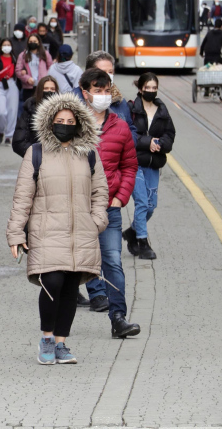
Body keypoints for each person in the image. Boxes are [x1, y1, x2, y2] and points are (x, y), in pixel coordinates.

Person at [7, 92, 109, 365]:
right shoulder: (36, 153)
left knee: (70, 287)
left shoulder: (89, 154)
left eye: (70, 120)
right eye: (59, 120)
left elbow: (100, 192)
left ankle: (62, 343)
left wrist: (97, 221)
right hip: (46, 230)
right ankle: (47, 338)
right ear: (50, 122)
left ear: (79, 123)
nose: (65, 124)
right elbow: (22, 197)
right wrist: (16, 233)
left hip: (80, 232)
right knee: (52, 282)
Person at [78, 69, 140, 338]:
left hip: (110, 208)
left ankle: (118, 318)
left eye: (106, 90)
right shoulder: (73, 125)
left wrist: (120, 197)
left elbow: (129, 165)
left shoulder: (120, 126)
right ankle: (57, 325)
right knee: (73, 264)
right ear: (85, 93)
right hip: (78, 209)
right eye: (97, 90)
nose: (102, 95)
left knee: (113, 261)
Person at [122, 73, 175, 260]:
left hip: (153, 163)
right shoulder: (131, 108)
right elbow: (128, 133)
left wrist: (160, 143)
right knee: (142, 202)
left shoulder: (162, 109)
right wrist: (147, 142)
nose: (151, 91)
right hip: (134, 163)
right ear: (140, 88)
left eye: (154, 88)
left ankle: (131, 232)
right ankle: (143, 243)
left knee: (152, 205)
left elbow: (170, 134)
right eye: (148, 88)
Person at [12, 76, 58, 157]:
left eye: (52, 89)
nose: (49, 91)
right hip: (36, 161)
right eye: (46, 88)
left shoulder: (63, 111)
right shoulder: (30, 109)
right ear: (40, 90)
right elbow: (19, 142)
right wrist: (37, 155)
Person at [0, 38, 20, 145]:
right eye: (4, 45)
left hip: (12, 85)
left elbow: (19, 72)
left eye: (8, 44)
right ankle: (1, 130)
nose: (6, 47)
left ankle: (9, 135)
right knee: (1, 112)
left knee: (12, 111)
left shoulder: (15, 59)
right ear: (1, 47)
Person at [15, 34, 53, 100]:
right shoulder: (23, 55)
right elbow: (18, 70)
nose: (33, 43)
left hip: (43, 86)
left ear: (39, 42)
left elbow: (51, 67)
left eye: (35, 41)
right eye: (31, 41)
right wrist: (27, 78)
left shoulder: (45, 53)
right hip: (29, 88)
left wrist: (46, 78)